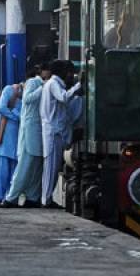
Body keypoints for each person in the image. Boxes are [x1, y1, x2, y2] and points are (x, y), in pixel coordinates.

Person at [1, 63, 52, 208]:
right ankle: (11, 197)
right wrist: (43, 88)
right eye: (47, 69)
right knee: (24, 165)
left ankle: (32, 196)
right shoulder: (33, 82)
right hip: (30, 130)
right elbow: (27, 99)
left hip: (38, 130)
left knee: (36, 166)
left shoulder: (43, 84)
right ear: (40, 71)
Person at [40, 59, 81, 209]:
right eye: (69, 72)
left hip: (54, 131)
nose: (70, 75)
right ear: (62, 72)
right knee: (51, 166)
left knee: (52, 166)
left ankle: (47, 198)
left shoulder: (52, 84)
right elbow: (64, 97)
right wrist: (78, 86)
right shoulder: (53, 84)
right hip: (53, 132)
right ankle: (46, 200)